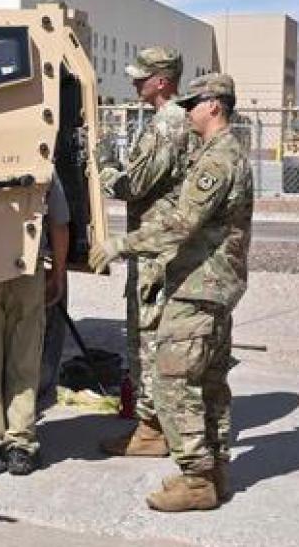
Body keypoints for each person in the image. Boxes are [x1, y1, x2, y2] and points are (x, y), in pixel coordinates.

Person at [90, 73, 252, 512]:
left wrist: (120, 244)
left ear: (214, 106)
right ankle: (215, 470)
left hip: (200, 284)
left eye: (194, 103)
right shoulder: (221, 153)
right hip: (214, 284)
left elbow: (182, 222)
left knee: (171, 380)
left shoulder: (218, 160)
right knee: (211, 382)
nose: (187, 111)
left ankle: (196, 478)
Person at [96, 46, 196, 457]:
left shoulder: (168, 122)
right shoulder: (170, 120)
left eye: (142, 77)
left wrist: (104, 173)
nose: (135, 83)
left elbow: (137, 184)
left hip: (156, 248)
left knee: (148, 337)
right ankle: (155, 424)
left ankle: (152, 429)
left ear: (162, 81)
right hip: (158, 244)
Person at [0, 173, 70, 475]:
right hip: (26, 268)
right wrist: (57, 274)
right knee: (25, 358)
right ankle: (21, 445)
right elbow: (59, 223)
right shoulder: (39, 156)